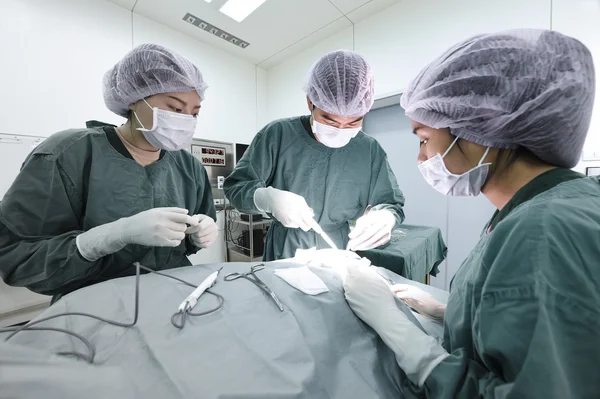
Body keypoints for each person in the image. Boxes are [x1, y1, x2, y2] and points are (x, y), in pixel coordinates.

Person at [343, 29, 600, 398]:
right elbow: (532, 325)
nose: (420, 157)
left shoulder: (544, 230)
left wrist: (396, 329)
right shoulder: (534, 209)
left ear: (478, 126)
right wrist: (446, 312)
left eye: (423, 138)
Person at [0, 44, 218, 301]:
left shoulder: (188, 166)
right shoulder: (68, 153)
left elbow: (186, 241)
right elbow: (16, 254)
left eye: (194, 113)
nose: (186, 120)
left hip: (174, 296)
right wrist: (104, 239)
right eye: (176, 108)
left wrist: (198, 234)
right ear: (136, 100)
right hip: (93, 305)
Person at [224, 50, 405, 260]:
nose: (341, 130)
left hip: (339, 249)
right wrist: (266, 198)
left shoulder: (369, 149)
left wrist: (385, 217)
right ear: (310, 102)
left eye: (354, 122)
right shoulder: (277, 134)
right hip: (286, 249)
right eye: (330, 121)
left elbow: (390, 202)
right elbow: (236, 187)